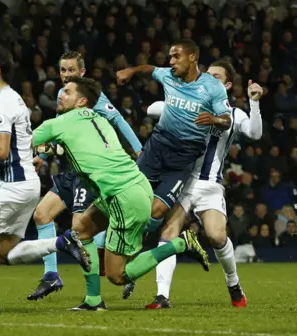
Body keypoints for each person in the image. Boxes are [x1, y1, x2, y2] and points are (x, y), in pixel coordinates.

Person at [6, 77, 210, 306]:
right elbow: (77, 146)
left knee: (117, 275)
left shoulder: (61, 122)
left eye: (68, 92)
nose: (61, 95)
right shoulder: (99, 120)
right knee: (80, 231)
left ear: (82, 101)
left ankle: (181, 243)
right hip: (130, 187)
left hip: (124, 198)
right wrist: (49, 150)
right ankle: (93, 301)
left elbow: (16, 145)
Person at [0, 45, 89, 315]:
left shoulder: (1, 104)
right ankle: (61, 243)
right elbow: (12, 147)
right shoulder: (11, 99)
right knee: (2, 253)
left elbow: (2, 151)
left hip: (11, 185)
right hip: (25, 183)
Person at [126, 60, 262, 309]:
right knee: (168, 232)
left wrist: (254, 101)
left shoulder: (232, 114)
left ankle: (234, 285)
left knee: (216, 237)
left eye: (217, 77)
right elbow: (151, 109)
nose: (209, 80)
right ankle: (161, 296)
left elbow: (254, 133)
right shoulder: (188, 104)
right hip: (182, 181)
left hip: (210, 185)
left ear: (228, 85)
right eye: (207, 75)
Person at [115, 39, 233, 297]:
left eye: (175, 57)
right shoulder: (168, 76)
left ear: (192, 57)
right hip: (157, 147)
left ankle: (134, 267)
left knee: (156, 212)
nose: (170, 62)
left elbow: (227, 119)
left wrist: (214, 118)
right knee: (131, 202)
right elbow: (149, 69)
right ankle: (129, 266)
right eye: (169, 57)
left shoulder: (212, 88)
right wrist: (131, 71)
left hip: (184, 156)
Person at [27, 52, 143, 310]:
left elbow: (118, 120)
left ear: (82, 71)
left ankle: (116, 275)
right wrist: (41, 158)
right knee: (42, 215)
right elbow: (56, 137)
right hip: (70, 171)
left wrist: (139, 151)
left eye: (70, 70)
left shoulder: (91, 97)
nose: (65, 75)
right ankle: (51, 275)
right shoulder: (65, 95)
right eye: (62, 70)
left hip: (90, 174)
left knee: (82, 230)